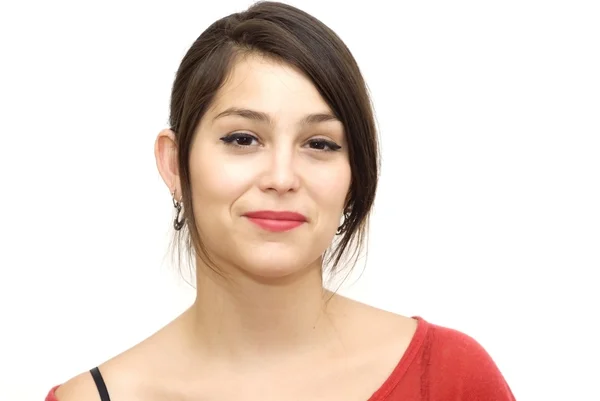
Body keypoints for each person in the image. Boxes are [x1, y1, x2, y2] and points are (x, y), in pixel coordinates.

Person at [46, 2, 515, 400]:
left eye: (320, 144)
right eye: (243, 138)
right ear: (174, 165)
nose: (282, 177)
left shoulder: (450, 378)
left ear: (354, 175)